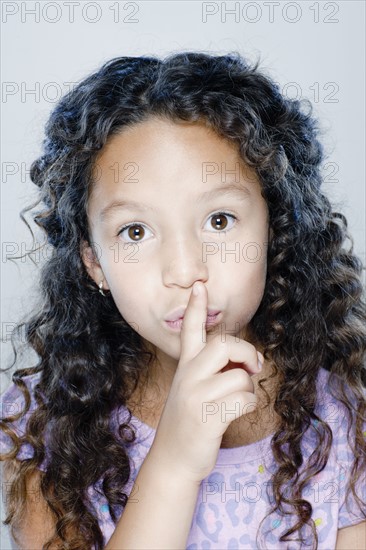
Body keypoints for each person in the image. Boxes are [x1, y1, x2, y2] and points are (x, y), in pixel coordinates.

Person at [0, 51, 365, 550]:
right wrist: (173, 463)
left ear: (274, 226)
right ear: (94, 263)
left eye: (219, 221)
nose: (186, 270)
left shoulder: (347, 423)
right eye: (135, 231)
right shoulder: (41, 430)